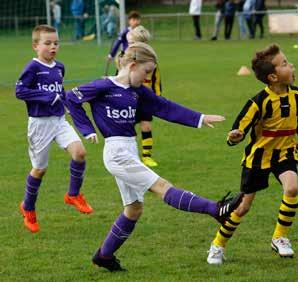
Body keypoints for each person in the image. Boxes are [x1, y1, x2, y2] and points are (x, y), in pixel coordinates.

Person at [65, 42, 244, 271]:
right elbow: (72, 98)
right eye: (146, 72)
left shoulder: (138, 91)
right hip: (116, 153)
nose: (148, 78)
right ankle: (216, 209)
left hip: (130, 149)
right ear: (132, 65)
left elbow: (165, 107)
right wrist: (87, 128)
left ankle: (104, 255)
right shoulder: (103, 86)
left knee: (134, 209)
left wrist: (199, 118)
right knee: (161, 186)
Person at [206, 44, 298, 265]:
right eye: (285, 64)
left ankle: (280, 237)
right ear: (273, 77)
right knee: (243, 207)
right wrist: (234, 136)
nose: (291, 65)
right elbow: (239, 127)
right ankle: (217, 245)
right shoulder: (258, 102)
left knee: (292, 187)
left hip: (285, 154)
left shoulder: (297, 95)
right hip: (258, 158)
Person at [15, 25, 93, 233]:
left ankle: (73, 194)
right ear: (35, 46)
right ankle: (28, 207)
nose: (53, 47)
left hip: (59, 121)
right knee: (40, 169)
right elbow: (20, 91)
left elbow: (59, 92)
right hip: (40, 124)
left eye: (56, 43)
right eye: (47, 43)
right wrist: (47, 97)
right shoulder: (32, 68)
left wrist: (66, 104)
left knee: (80, 152)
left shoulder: (60, 67)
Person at [118, 25, 162, 167]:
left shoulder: (152, 63)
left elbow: (157, 81)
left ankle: (146, 156)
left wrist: (157, 98)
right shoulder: (123, 59)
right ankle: (129, 156)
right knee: (128, 129)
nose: (129, 46)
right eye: (129, 43)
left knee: (146, 126)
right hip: (129, 99)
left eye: (132, 43)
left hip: (145, 100)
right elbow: (118, 78)